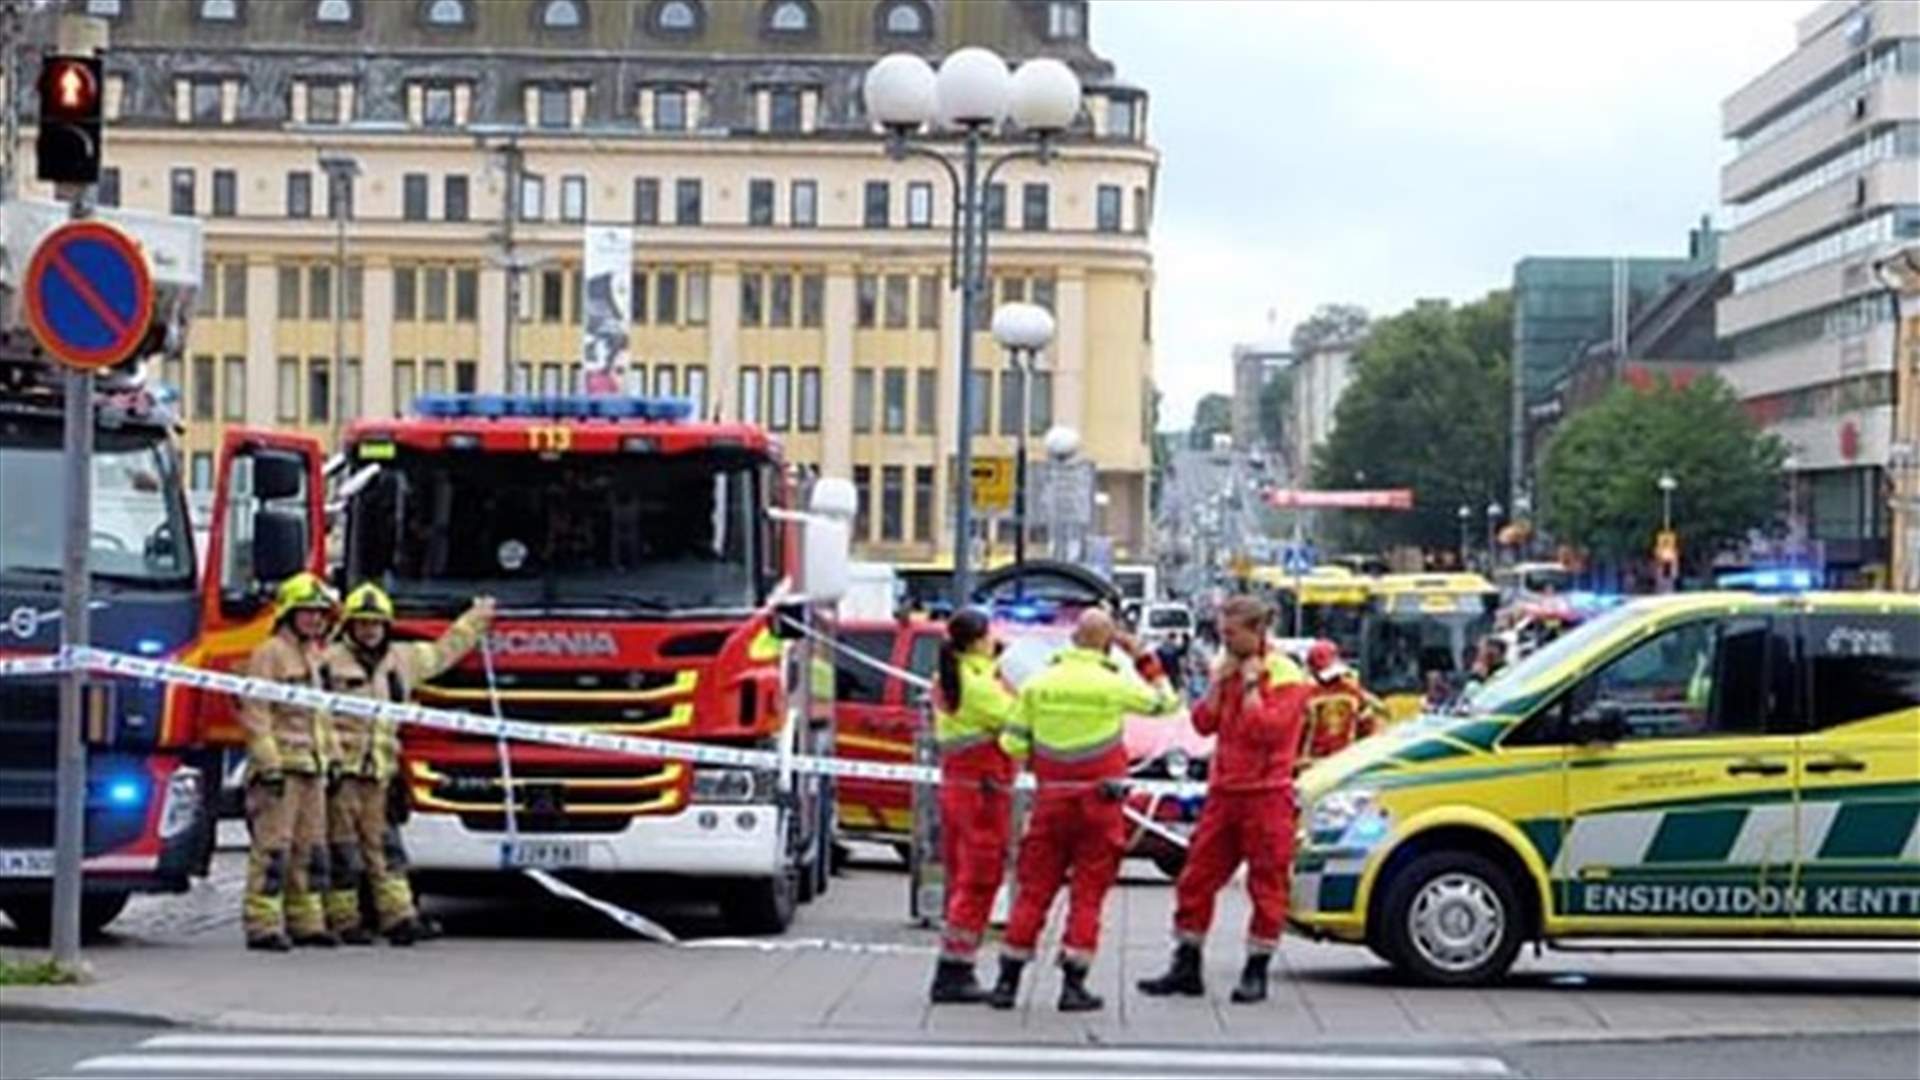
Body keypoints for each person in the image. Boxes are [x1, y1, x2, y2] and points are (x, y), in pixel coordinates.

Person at [987, 609, 1180, 1013]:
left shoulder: (1038, 684)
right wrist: (1145, 659)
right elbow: (1166, 704)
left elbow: (1012, 744)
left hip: (1051, 802)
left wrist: (1048, 753)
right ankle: (1073, 986)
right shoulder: (1113, 683)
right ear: (1108, 644)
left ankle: (1007, 982)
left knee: (1034, 892)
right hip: (1100, 804)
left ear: (1072, 640)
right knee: (1088, 894)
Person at [1138, 595, 1311, 1005]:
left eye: (1231, 633)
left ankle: (1256, 970)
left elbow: (1265, 730)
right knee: (1196, 879)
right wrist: (1219, 685)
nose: (1223, 639)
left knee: (1266, 885)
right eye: (1222, 632)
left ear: (1256, 631)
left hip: (1266, 794)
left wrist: (1250, 685)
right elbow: (1202, 724)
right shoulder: (1228, 667)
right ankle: (1186, 963)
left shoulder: (1285, 675)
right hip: (1225, 792)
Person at [320, 584, 494, 946]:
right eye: (362, 623)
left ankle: (399, 919)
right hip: (343, 776)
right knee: (343, 850)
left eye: (376, 623)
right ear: (349, 625)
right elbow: (314, 716)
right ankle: (344, 921)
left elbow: (446, 651)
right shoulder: (327, 662)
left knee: (386, 850)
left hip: (381, 775)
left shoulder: (403, 659)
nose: (369, 630)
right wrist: (328, 763)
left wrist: (475, 621)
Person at [239, 572, 342, 952]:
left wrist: (332, 759)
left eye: (321, 613)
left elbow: (322, 716)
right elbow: (256, 713)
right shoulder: (269, 653)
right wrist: (268, 764)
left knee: (311, 848)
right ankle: (262, 924)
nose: (316, 619)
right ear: (288, 614)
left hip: (312, 768)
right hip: (281, 769)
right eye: (308, 612)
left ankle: (307, 922)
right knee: (274, 848)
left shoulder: (315, 656)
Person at [926, 609, 1018, 1004]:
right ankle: (954, 969)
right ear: (978, 639)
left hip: (964, 788)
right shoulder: (977, 684)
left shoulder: (956, 677)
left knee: (967, 875)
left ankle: (957, 963)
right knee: (980, 876)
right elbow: (1016, 719)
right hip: (982, 790)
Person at [1298, 639, 1387, 767]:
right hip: (1345, 764)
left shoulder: (1305, 695)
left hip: (1313, 766)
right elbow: (1369, 727)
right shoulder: (1353, 692)